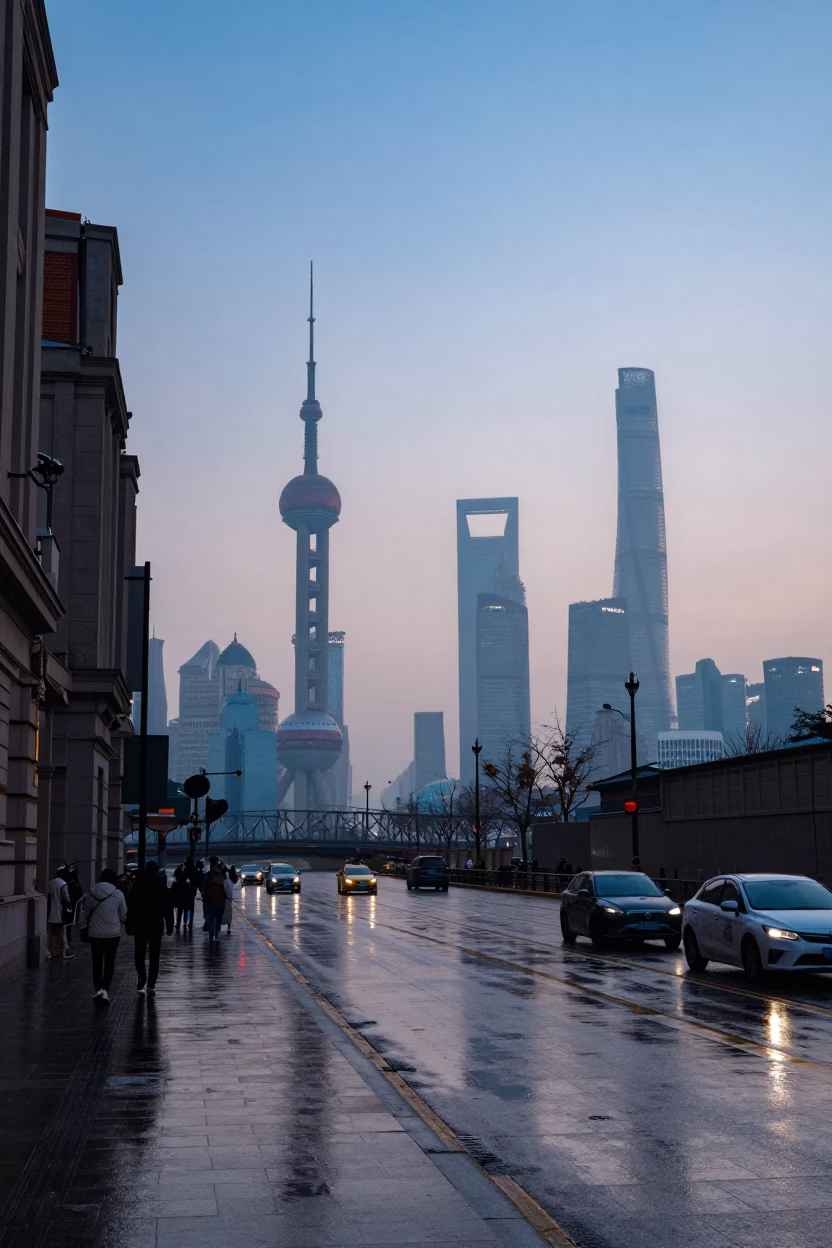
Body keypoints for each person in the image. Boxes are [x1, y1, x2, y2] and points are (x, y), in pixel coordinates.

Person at [127, 860, 174, 994]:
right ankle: (151, 984)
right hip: (156, 924)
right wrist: (170, 925)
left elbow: (131, 906)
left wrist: (129, 925)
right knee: (155, 956)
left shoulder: (138, 884)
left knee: (140, 954)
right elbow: (168, 907)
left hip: (140, 924)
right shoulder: (161, 884)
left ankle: (142, 976)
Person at [82, 868, 127, 1000]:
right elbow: (123, 914)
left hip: (95, 934)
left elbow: (85, 913)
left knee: (97, 962)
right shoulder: (118, 894)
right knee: (109, 962)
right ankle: (105, 989)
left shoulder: (91, 893)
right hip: (113, 934)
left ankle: (97, 989)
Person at [200, 856, 230, 943]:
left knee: (210, 918)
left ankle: (211, 935)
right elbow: (226, 889)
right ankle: (216, 934)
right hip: (220, 902)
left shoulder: (206, 877)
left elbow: (203, 890)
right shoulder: (222, 877)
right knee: (218, 919)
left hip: (209, 902)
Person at [46, 867, 74, 959]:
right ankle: (64, 951)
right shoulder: (63, 884)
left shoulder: (50, 883)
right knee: (62, 932)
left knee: (51, 933)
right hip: (60, 912)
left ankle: (51, 951)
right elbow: (66, 898)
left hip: (50, 912)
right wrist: (70, 907)